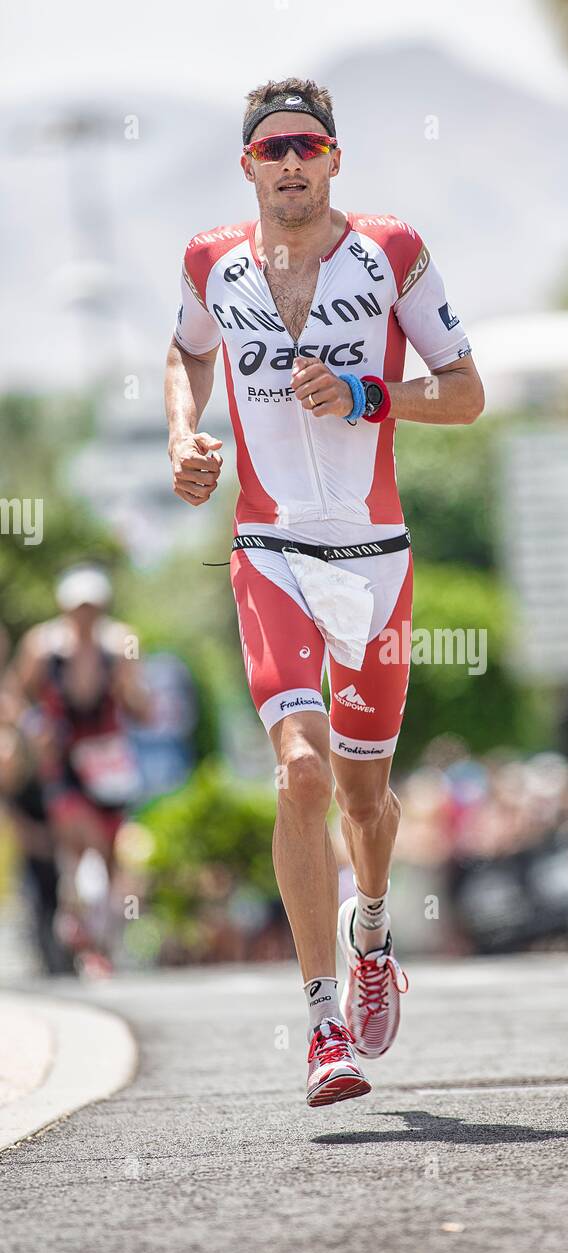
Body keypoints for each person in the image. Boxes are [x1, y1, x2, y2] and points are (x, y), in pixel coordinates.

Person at [164, 77, 484, 1106]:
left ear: (334, 159)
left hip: (375, 557)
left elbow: (468, 390)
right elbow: (184, 350)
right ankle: (319, 1024)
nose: (291, 162)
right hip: (268, 549)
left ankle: (375, 930)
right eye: (273, 149)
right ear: (248, 166)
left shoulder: (389, 252)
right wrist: (183, 432)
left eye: (308, 145)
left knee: (363, 798)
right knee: (298, 772)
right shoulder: (211, 261)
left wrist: (366, 394)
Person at [12, 564, 150, 973]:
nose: (85, 616)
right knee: (77, 835)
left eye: (91, 607)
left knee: (109, 851)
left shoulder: (121, 641)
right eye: (78, 607)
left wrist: (128, 690)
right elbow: (16, 693)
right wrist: (33, 728)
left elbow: (141, 706)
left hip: (108, 760)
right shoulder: (42, 644)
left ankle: (100, 936)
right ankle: (77, 922)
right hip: (65, 759)